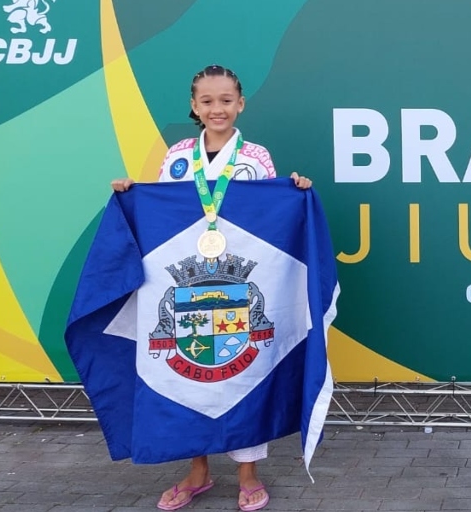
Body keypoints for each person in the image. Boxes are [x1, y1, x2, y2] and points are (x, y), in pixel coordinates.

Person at [110, 64, 311, 512]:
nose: (216, 108)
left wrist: (294, 190)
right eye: (207, 101)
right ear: (194, 107)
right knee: (184, 373)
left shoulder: (256, 158)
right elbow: (161, 215)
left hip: (242, 281)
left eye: (225, 100)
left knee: (245, 371)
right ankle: (197, 470)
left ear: (240, 104)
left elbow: (270, 218)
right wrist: (131, 192)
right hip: (185, 282)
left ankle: (248, 473)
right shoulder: (179, 156)